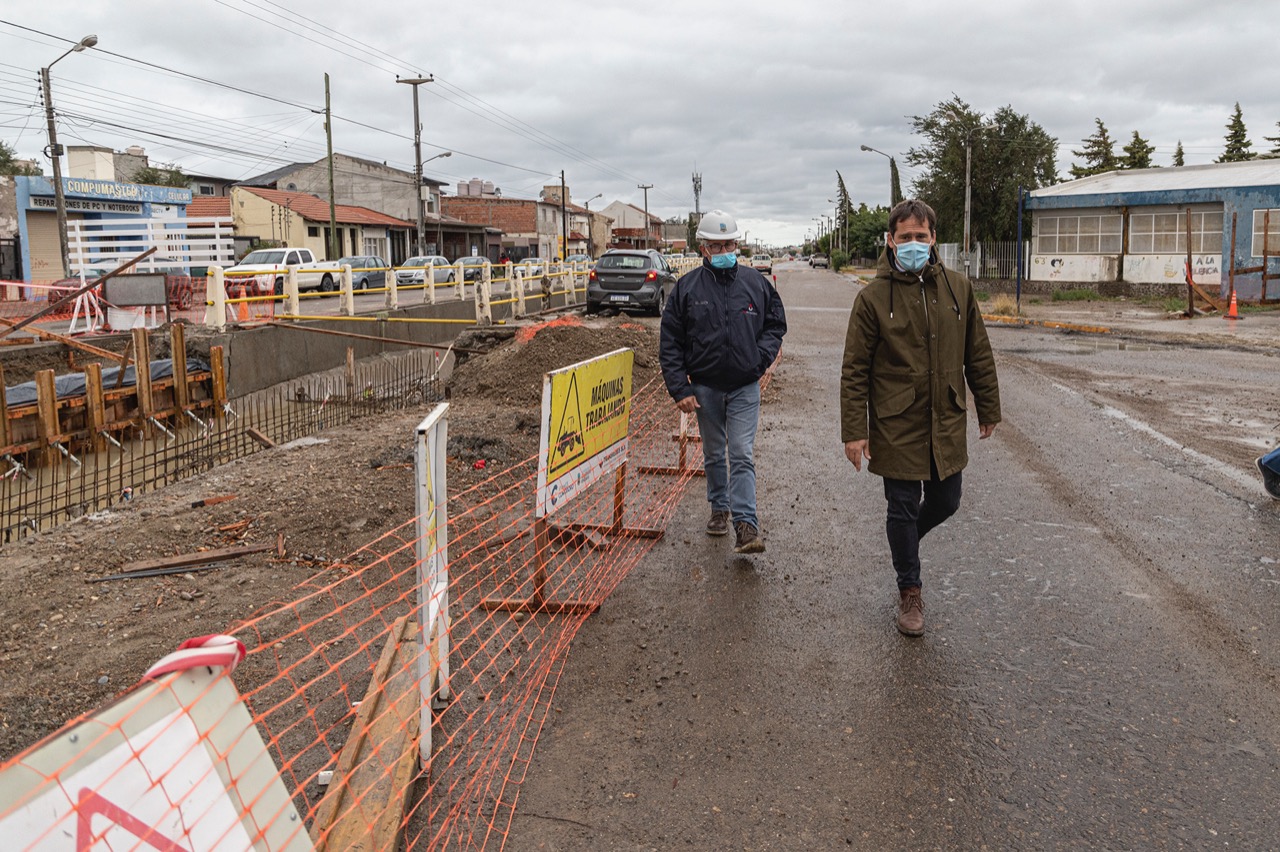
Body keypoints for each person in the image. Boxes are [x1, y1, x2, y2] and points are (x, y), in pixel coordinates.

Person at [840, 199, 1001, 637]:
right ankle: (909, 589)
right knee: (903, 504)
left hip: (946, 416)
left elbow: (978, 352)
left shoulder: (958, 288)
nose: (913, 244)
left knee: (947, 501)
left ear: (934, 239)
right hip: (896, 423)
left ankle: (903, 539)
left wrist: (988, 406)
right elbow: (854, 369)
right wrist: (855, 431)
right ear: (890, 241)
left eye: (921, 237)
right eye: (905, 237)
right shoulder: (872, 298)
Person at [660, 209, 787, 554]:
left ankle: (746, 525)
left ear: (737, 244)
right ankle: (719, 508)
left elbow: (776, 324)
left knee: (741, 453)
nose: (722, 250)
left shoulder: (755, 284)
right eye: (715, 245)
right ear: (703, 248)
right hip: (704, 388)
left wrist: (758, 360)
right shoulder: (686, 289)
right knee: (715, 453)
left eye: (728, 243)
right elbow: (670, 341)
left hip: (745, 386)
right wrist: (679, 389)